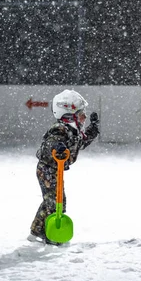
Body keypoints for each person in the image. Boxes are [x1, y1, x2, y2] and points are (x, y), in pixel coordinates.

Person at [28, 89, 100, 245]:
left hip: (56, 169)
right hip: (47, 169)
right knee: (54, 201)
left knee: (54, 200)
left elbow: (82, 142)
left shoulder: (74, 132)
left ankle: (37, 230)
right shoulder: (60, 129)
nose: (85, 117)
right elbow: (50, 144)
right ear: (69, 115)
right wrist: (57, 146)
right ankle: (47, 233)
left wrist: (94, 128)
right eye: (82, 114)